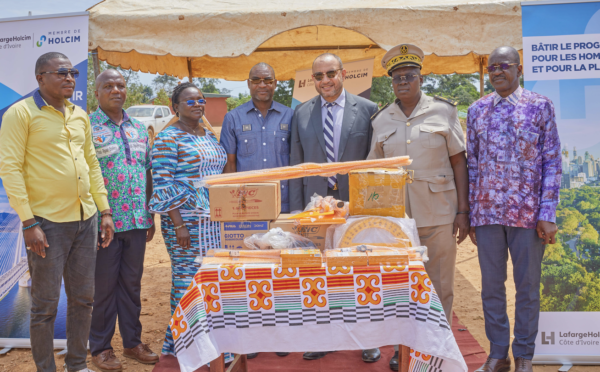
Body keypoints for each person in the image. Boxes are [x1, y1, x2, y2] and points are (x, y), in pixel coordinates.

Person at [0, 52, 114, 372]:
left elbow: (91, 164)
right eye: (60, 73)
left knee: (82, 300)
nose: (69, 78)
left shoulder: (80, 115)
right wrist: (28, 221)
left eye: (72, 73)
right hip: (46, 224)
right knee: (44, 307)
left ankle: (76, 366)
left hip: (85, 219)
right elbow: (10, 169)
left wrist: (104, 211)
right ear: (40, 78)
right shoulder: (20, 114)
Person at [367, 44, 469, 371]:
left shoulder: (444, 111)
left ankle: (438, 351)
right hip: (398, 219)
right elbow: (374, 170)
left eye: (409, 75)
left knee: (439, 285)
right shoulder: (381, 119)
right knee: (403, 287)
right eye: (397, 77)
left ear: (420, 77)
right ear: (391, 82)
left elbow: (459, 162)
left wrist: (463, 211)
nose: (403, 82)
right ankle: (406, 349)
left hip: (439, 212)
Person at [467, 46, 561, 372]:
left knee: (527, 288)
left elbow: (552, 161)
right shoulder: (476, 111)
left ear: (518, 69)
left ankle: (524, 355)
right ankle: (497, 355)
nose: (496, 72)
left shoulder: (540, 107)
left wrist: (547, 213)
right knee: (491, 288)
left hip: (527, 216)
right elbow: (473, 167)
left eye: (503, 66)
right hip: (488, 215)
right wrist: (472, 216)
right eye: (491, 67)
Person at [290, 53, 380, 363]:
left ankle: (368, 339)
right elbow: (295, 167)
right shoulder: (300, 113)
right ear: (311, 80)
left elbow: (375, 161)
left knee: (360, 270)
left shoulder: (368, 110)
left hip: (356, 205)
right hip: (315, 206)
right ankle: (323, 336)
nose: (325, 80)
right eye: (318, 76)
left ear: (343, 73)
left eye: (331, 73)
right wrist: (294, 213)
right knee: (319, 272)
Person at [88, 69, 159, 371]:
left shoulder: (139, 129)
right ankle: (101, 349)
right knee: (103, 288)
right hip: (104, 224)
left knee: (131, 285)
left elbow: (146, 172)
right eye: (109, 86)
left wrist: (150, 212)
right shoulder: (87, 128)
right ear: (97, 93)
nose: (116, 90)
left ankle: (132, 343)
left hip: (137, 219)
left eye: (121, 85)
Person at [149, 82, 227, 356]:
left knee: (210, 278)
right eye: (190, 101)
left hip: (213, 222)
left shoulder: (209, 135)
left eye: (201, 100)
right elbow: (162, 183)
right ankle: (183, 344)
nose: (197, 104)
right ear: (175, 107)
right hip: (184, 222)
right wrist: (179, 225)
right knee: (186, 280)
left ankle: (213, 343)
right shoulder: (168, 138)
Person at [221, 63, 294, 214]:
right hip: (248, 203)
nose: (262, 85)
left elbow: (298, 160)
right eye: (256, 80)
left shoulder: (290, 116)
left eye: (267, 80)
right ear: (248, 83)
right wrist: (233, 203)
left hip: (284, 201)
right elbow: (230, 164)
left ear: (275, 83)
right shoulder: (233, 118)